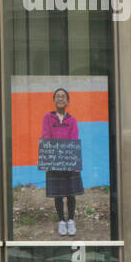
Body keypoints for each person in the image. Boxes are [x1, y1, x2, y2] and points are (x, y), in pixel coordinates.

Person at [41, 87, 82, 237]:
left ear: (67, 101)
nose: (60, 98)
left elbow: (74, 139)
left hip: (69, 160)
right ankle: (61, 221)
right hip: (54, 160)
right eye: (57, 96)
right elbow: (46, 137)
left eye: (63, 96)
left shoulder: (72, 120)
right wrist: (46, 159)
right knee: (58, 193)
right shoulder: (47, 118)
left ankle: (71, 220)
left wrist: (75, 162)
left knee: (71, 193)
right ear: (54, 100)